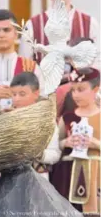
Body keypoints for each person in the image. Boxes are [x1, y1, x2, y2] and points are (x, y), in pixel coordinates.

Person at [19, 0, 99, 64]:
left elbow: (97, 64)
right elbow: (25, 65)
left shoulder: (90, 23)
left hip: (83, 79)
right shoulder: (32, 25)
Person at [50, 67, 100, 215]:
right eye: (73, 90)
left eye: (81, 89)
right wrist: (66, 143)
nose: (76, 95)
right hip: (67, 175)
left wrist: (95, 143)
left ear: (96, 89)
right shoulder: (67, 117)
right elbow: (55, 147)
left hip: (96, 175)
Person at [10, 72, 61, 180]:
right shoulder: (6, 118)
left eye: (22, 94)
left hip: (38, 179)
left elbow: (55, 153)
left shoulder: (46, 120)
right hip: (8, 178)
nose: (16, 99)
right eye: (14, 94)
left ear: (36, 93)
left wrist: (39, 154)